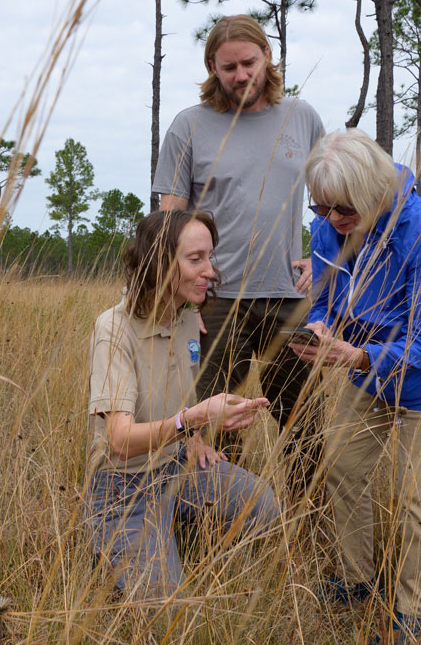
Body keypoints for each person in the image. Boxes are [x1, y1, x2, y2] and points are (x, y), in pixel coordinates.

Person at [288, 129, 421, 644]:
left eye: (343, 210)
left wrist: (357, 355)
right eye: (321, 207)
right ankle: (358, 581)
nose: (331, 221)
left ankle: (411, 619)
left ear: (373, 193)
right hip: (367, 363)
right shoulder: (331, 224)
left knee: (419, 496)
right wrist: (323, 326)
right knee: (343, 465)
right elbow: (326, 294)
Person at [152, 14, 327, 483]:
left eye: (249, 62)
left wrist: (322, 255)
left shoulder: (302, 117)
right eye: (228, 67)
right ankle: (222, 535)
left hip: (288, 303)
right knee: (213, 428)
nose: (241, 75)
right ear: (212, 67)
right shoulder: (189, 126)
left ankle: (309, 539)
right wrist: (178, 296)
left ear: (267, 56)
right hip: (213, 306)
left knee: (304, 429)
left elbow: (333, 195)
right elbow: (170, 223)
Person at [87, 209, 281, 598]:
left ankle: (174, 526)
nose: (210, 270)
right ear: (159, 262)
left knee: (264, 508)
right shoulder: (112, 329)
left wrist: (193, 437)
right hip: (123, 486)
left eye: (210, 256)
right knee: (168, 611)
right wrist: (191, 420)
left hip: (177, 464)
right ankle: (110, 547)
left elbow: (179, 394)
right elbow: (120, 442)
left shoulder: (188, 316)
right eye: (196, 259)